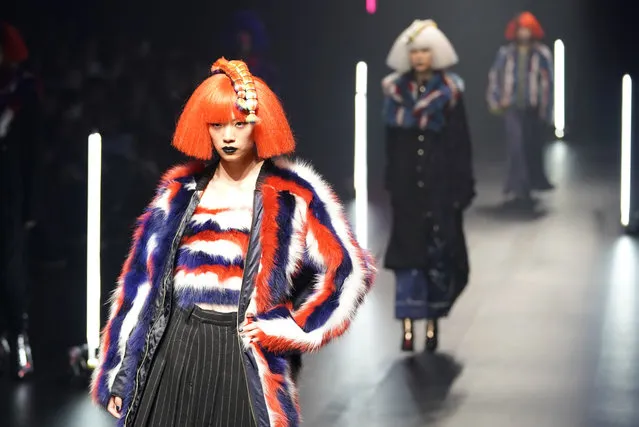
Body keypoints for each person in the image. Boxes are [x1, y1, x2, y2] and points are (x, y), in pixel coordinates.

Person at [90, 57, 376, 427]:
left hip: (243, 354)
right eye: (217, 124)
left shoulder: (293, 195)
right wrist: (121, 374)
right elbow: (141, 288)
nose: (227, 135)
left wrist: (293, 327)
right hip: (173, 348)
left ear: (259, 125)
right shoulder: (180, 193)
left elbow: (350, 270)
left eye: (239, 124)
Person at [382, 20, 475, 353]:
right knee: (408, 255)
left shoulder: (449, 93)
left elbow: (460, 141)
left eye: (424, 51)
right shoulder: (394, 92)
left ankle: (433, 325)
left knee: (437, 255)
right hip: (407, 186)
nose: (420, 57)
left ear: (433, 55)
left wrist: (462, 185)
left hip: (439, 183)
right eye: (415, 52)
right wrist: (391, 179)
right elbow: (390, 142)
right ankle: (407, 326)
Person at [0, 21, 40, 379]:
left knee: (11, 267)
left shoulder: (21, 89)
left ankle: (19, 337)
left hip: (9, 190)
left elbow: (32, 148)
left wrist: (30, 203)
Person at [487, 11, 554, 205]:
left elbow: (548, 83)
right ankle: (517, 186)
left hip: (532, 108)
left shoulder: (542, 54)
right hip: (511, 107)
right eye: (521, 29)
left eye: (527, 29)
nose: (523, 33)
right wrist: (495, 100)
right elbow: (495, 77)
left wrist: (547, 109)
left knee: (529, 147)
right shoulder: (505, 54)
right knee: (516, 146)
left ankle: (528, 185)